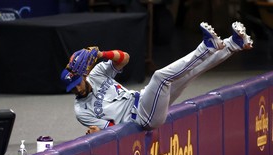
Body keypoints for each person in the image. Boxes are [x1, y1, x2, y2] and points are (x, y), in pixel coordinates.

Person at [60, 21, 253, 136]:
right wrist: (97, 133)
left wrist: (102, 54)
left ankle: (232, 44)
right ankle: (206, 48)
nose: (77, 90)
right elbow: (112, 130)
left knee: (189, 74)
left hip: (144, 100)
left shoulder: (96, 74)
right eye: (73, 89)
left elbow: (124, 58)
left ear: (84, 75)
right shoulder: (81, 110)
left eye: (77, 84)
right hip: (141, 119)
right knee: (160, 77)